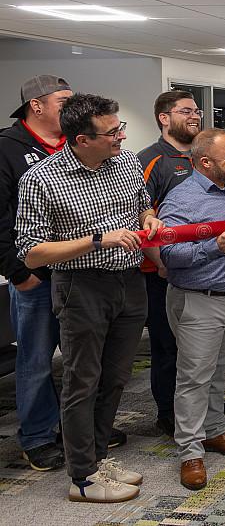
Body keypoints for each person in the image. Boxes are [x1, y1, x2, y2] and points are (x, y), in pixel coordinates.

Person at [15, 93, 164, 503]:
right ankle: (82, 476)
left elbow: (141, 207)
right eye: (112, 132)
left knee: (115, 379)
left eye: (120, 128)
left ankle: (98, 459)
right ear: (81, 139)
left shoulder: (127, 163)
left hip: (129, 283)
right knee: (82, 382)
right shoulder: (42, 178)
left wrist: (149, 220)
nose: (120, 136)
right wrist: (97, 239)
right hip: (81, 287)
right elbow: (30, 251)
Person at [158, 129, 225, 490]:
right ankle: (189, 452)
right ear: (204, 163)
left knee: (220, 369)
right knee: (194, 378)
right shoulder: (181, 200)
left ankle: (214, 431)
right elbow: (168, 256)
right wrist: (214, 248)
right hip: (199, 300)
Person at [0, 75, 73, 471]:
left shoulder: (74, 145)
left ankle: (72, 428)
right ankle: (38, 436)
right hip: (35, 277)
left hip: (77, 274)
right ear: (37, 105)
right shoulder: (8, 149)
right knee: (37, 360)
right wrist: (16, 272)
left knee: (78, 358)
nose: (72, 107)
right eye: (64, 100)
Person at [137, 90, 202, 436]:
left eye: (197, 111)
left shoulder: (202, 156)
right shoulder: (148, 160)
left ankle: (200, 407)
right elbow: (138, 217)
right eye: (186, 111)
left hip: (201, 268)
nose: (195, 116)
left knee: (199, 345)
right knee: (168, 346)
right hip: (161, 273)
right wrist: (161, 261)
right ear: (165, 117)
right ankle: (168, 412)